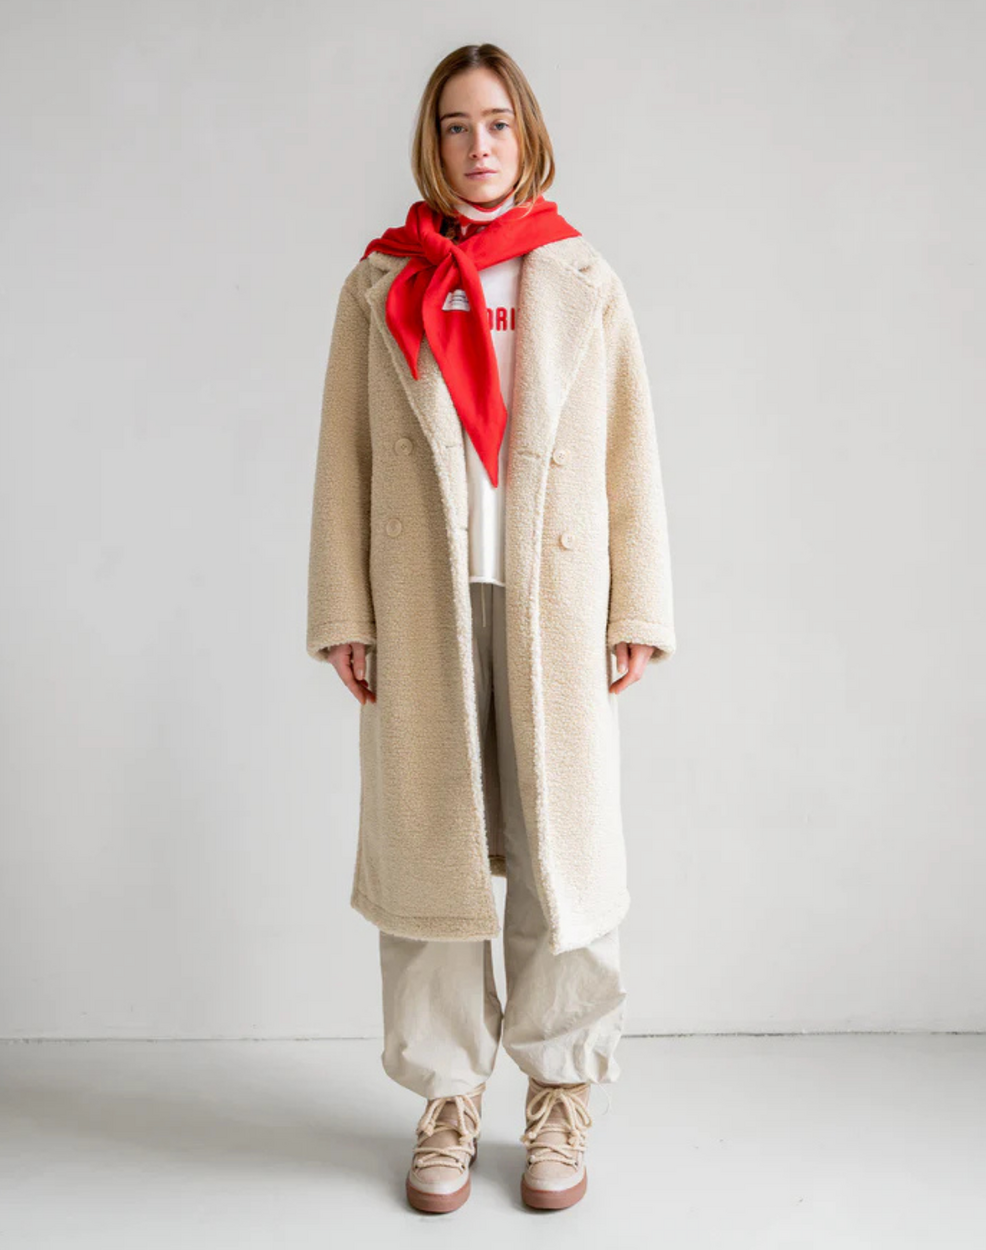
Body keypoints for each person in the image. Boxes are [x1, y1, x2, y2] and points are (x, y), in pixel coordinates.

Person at [305, 43, 676, 1214]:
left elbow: (628, 451)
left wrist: (636, 604)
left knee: (565, 856)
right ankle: (447, 1097)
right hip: (423, 604)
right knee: (432, 853)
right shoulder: (379, 284)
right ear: (433, 142)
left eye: (499, 124)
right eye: (457, 126)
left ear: (529, 136)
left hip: (553, 608)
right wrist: (344, 608)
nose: (479, 147)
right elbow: (343, 457)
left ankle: (560, 1092)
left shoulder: (582, 278)